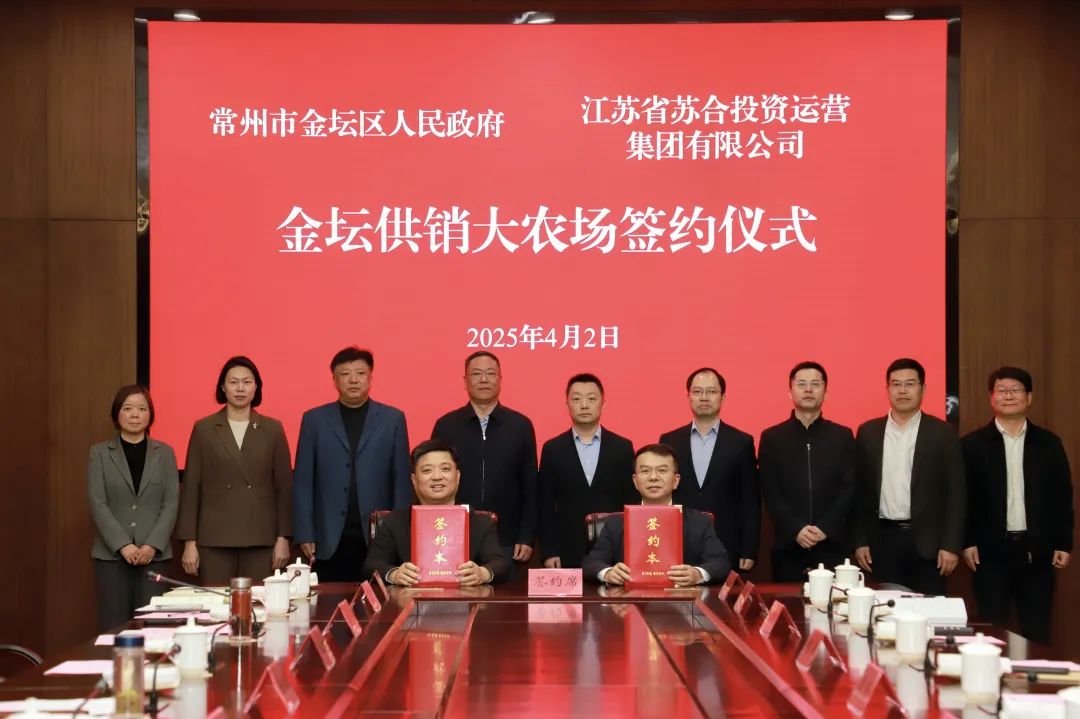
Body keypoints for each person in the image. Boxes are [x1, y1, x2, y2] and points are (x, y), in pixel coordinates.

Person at [961, 367, 1073, 643]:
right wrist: (967, 541)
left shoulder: (1048, 443)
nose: (1008, 396)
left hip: (1037, 551)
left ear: (1029, 397)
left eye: (1016, 390)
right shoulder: (972, 445)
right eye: (1002, 390)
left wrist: (1063, 543)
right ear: (992, 397)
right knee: (991, 630)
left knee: (1036, 630)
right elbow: (964, 498)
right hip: (989, 553)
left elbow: (1062, 495)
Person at [293, 346, 410, 581]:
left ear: (371, 377)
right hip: (328, 535)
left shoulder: (392, 419)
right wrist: (305, 532)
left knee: (381, 600)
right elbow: (303, 481)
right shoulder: (314, 420)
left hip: (379, 534)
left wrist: (400, 534)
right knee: (329, 600)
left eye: (360, 373)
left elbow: (401, 482)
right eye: (345, 374)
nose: (353, 380)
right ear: (334, 380)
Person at [851, 358, 965, 595]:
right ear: (888, 389)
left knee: (929, 611)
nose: (902, 391)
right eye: (896, 384)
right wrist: (860, 540)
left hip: (929, 544)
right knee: (886, 610)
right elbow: (859, 492)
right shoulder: (868, 432)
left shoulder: (943, 433)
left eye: (910, 384)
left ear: (923, 389)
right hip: (882, 542)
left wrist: (951, 545)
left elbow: (956, 492)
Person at [175, 356, 292, 585]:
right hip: (214, 538)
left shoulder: (273, 428)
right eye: (233, 382)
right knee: (217, 602)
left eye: (247, 382)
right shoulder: (204, 428)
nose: (240, 388)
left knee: (259, 602)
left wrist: (283, 538)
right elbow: (191, 488)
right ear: (223, 387)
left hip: (261, 537)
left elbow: (284, 488)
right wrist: (190, 543)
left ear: (256, 387)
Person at [431, 351, 538, 577]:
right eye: (476, 374)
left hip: (507, 539)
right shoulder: (446, 426)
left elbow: (530, 486)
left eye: (490, 373)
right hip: (455, 536)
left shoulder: (520, 426)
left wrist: (526, 536)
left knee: (507, 598)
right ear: (465, 381)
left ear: (500, 379)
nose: (483, 379)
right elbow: (433, 485)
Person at [88, 385, 179, 630]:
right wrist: (123, 545)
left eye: (142, 409)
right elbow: (98, 502)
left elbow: (171, 503)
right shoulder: (99, 453)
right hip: (112, 558)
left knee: (153, 627)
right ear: (116, 414)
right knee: (114, 627)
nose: (135, 414)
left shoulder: (165, 453)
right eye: (127, 409)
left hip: (153, 556)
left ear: (150, 414)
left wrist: (152, 545)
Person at [362, 439, 509, 585]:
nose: (437, 477)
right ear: (414, 480)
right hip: (411, 599)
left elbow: (500, 564)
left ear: (457, 476)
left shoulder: (480, 522)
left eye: (445, 469)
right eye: (427, 470)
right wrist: (394, 574)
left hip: (466, 599)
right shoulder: (394, 521)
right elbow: (371, 565)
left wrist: (483, 573)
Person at [759, 361, 857, 581]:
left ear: (826, 393)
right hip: (788, 545)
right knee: (789, 603)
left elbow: (849, 488)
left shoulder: (842, 436)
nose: (809, 389)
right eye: (802, 384)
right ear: (790, 392)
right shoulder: (772, 438)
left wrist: (826, 528)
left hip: (832, 544)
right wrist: (796, 529)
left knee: (835, 602)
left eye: (816, 384)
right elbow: (770, 490)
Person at [583, 443, 730, 586]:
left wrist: (697, 574)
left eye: (662, 470)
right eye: (645, 471)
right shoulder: (614, 523)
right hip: (630, 600)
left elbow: (720, 563)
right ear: (635, 481)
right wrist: (608, 573)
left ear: (676, 480)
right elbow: (591, 563)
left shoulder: (699, 522)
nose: (653, 477)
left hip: (681, 600)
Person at [659, 367, 759, 572]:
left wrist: (749, 549)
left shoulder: (741, 442)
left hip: (726, 541)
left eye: (711, 392)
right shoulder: (669, 441)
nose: (704, 397)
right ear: (688, 396)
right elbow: (661, 495)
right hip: (679, 539)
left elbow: (750, 500)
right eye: (697, 392)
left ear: (723, 397)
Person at [538, 373, 635, 569]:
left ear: (603, 404)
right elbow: (545, 504)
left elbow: (631, 501)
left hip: (614, 548)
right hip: (567, 548)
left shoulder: (623, 447)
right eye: (576, 399)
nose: (584, 405)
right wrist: (549, 550)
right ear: (567, 404)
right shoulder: (553, 449)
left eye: (591, 398)